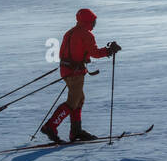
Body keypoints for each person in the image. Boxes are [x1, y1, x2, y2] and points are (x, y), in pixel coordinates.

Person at [42, 8, 121, 143]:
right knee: (73, 102)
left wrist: (82, 58)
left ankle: (76, 131)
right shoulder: (86, 34)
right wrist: (109, 51)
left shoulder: (70, 32)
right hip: (75, 72)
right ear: (88, 21)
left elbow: (68, 52)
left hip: (66, 70)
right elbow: (95, 52)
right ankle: (51, 126)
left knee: (79, 99)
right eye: (93, 21)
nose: (95, 24)